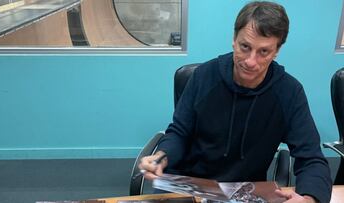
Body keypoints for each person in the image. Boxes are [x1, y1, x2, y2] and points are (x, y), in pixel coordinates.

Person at [138, 1, 332, 203]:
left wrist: (309, 199)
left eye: (263, 52)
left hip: (245, 191)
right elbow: (180, 132)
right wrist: (163, 155)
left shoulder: (289, 92)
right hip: (191, 186)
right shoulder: (203, 76)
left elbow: (311, 159)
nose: (250, 61)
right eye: (245, 47)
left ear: (277, 51)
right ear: (233, 39)